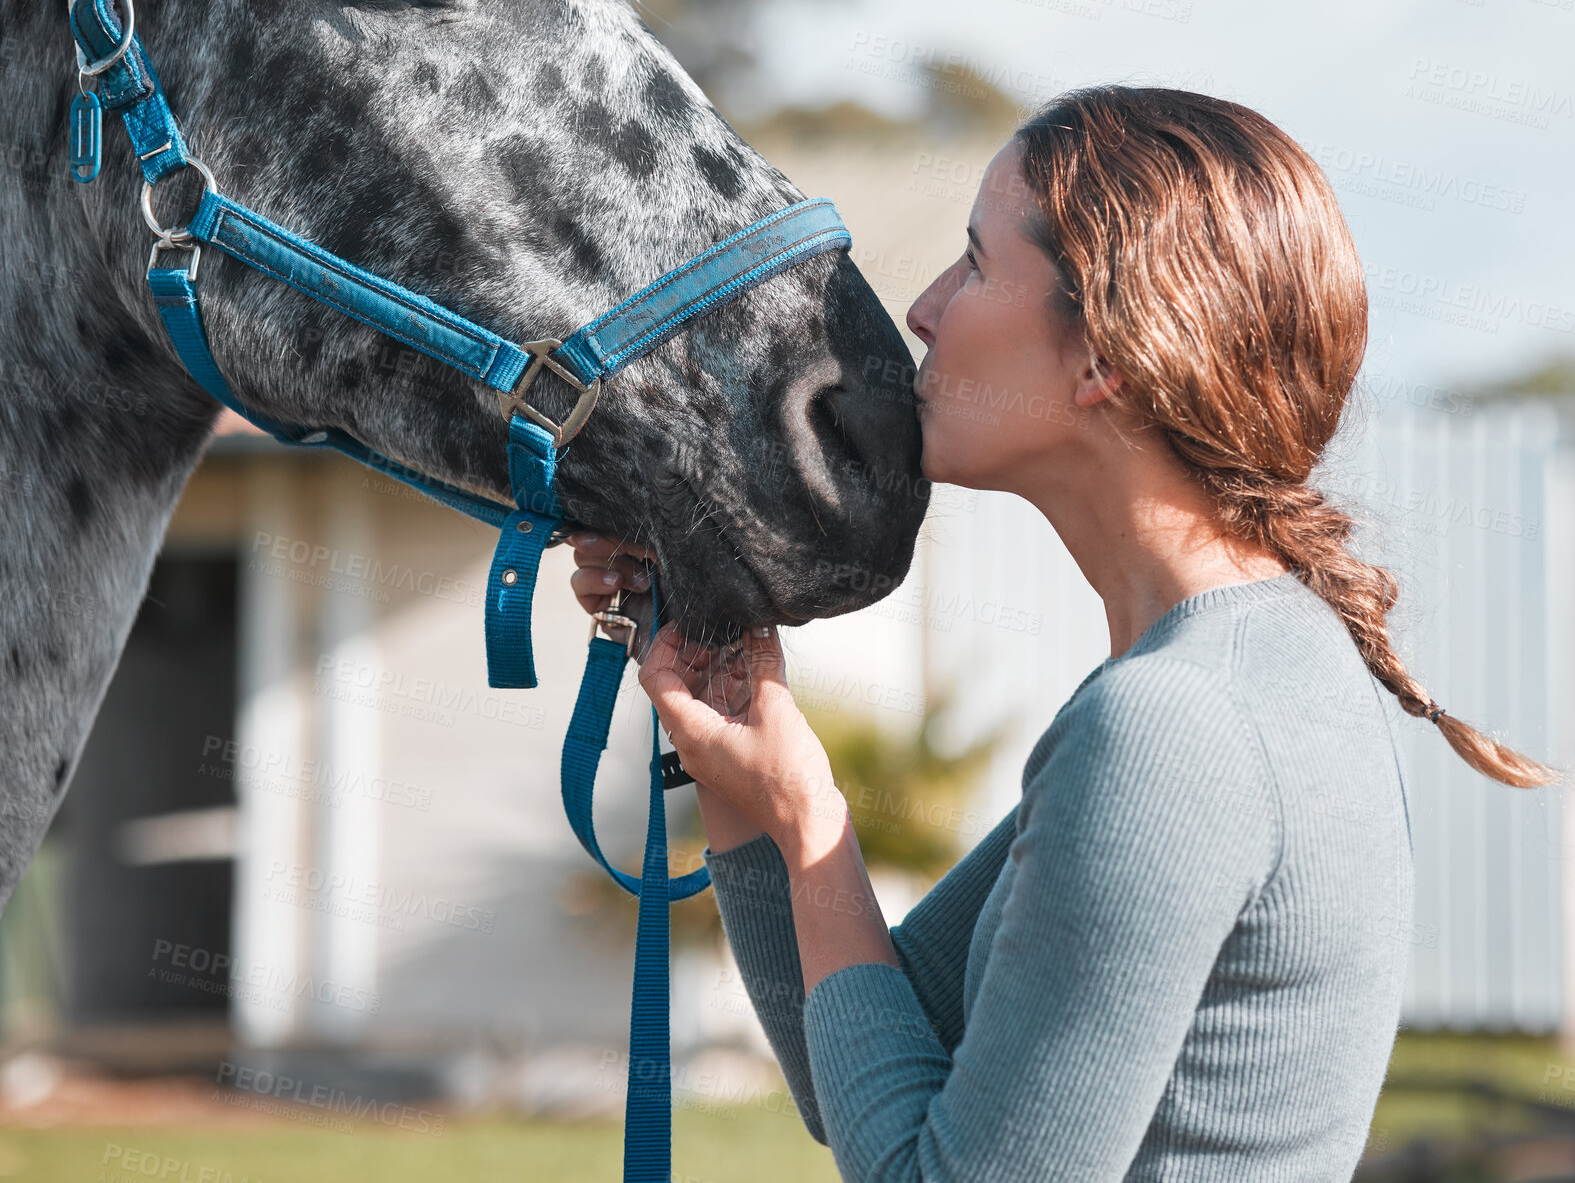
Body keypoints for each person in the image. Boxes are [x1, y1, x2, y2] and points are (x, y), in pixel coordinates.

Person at [563, 86, 1558, 1182]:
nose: (927, 309)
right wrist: (744, 745)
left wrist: (809, 821)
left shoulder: (1176, 728)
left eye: (977, 264)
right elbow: (851, 1077)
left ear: (1106, 358)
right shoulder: (1249, 668)